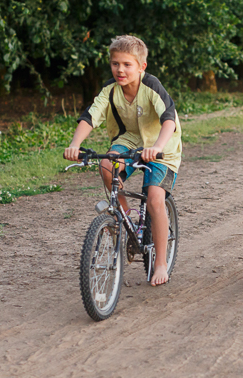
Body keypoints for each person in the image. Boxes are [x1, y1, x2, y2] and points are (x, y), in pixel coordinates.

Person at [64, 35, 183, 285]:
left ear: (142, 67)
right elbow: (90, 117)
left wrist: (157, 147)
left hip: (163, 144)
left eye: (127, 64)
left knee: (154, 198)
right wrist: (75, 145)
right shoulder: (110, 90)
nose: (120, 70)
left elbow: (169, 119)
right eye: (115, 63)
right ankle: (126, 218)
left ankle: (160, 262)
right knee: (107, 165)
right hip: (129, 139)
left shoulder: (151, 86)